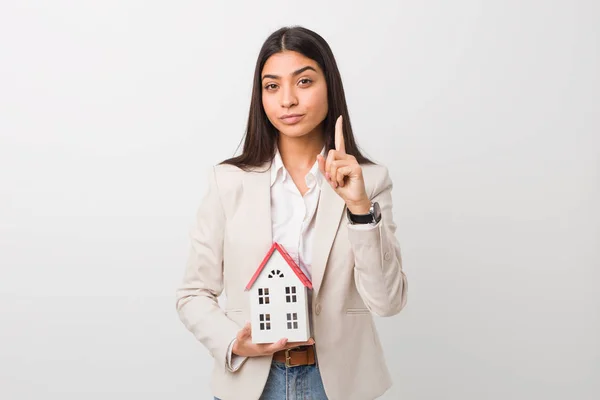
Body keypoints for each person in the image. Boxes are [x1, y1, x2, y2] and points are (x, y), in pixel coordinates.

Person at [175, 25, 408, 400]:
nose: (287, 100)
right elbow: (193, 293)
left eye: (303, 82)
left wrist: (360, 208)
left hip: (338, 385)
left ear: (329, 86)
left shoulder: (370, 181)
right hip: (250, 383)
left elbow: (387, 302)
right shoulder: (228, 181)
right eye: (272, 86)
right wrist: (235, 342)